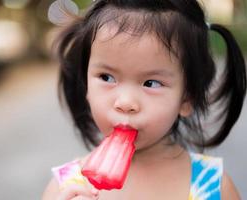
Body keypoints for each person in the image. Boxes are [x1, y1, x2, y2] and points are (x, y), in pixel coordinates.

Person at [43, 0, 246, 199]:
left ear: (187, 98)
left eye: (151, 83)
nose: (125, 103)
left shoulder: (213, 186)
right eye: (106, 77)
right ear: (86, 85)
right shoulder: (65, 188)